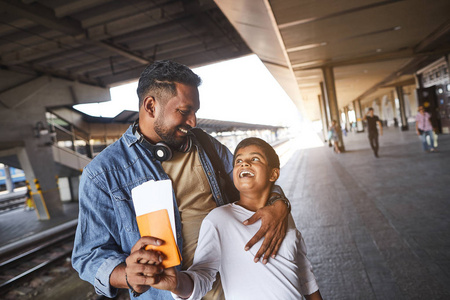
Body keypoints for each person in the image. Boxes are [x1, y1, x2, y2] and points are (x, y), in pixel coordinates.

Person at [71, 60, 290, 300]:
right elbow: (88, 256)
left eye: (195, 112)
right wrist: (126, 275)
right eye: (185, 112)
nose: (193, 122)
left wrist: (278, 204)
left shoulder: (205, 145)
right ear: (151, 106)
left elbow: (252, 184)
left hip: (236, 288)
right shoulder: (102, 173)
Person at [151, 137, 323, 300]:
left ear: (273, 174)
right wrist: (177, 283)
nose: (244, 163)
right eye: (238, 161)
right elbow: (203, 275)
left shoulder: (282, 215)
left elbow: (305, 276)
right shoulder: (219, 219)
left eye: (255, 159)